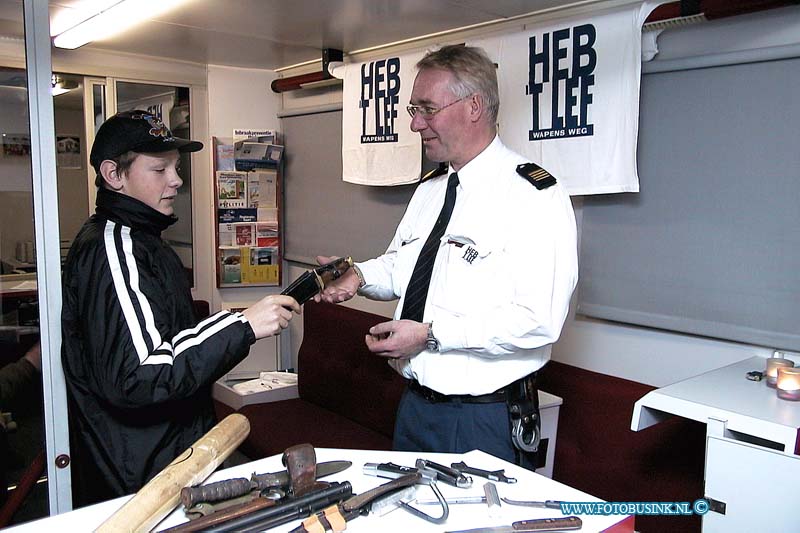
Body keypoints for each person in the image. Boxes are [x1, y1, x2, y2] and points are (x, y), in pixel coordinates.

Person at [317, 45, 578, 466]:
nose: (416, 124)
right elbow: (405, 265)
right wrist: (358, 276)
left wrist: (430, 334)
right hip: (415, 408)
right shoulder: (431, 189)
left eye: (428, 109)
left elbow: (539, 320)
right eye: (413, 109)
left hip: (482, 419)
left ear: (474, 106)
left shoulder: (533, 195)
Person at [61, 110, 300, 506]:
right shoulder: (115, 248)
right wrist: (241, 325)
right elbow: (140, 373)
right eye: (160, 169)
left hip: (168, 453)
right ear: (113, 175)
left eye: (175, 167)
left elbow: (168, 337)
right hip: (139, 472)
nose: (177, 180)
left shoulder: (146, 239)